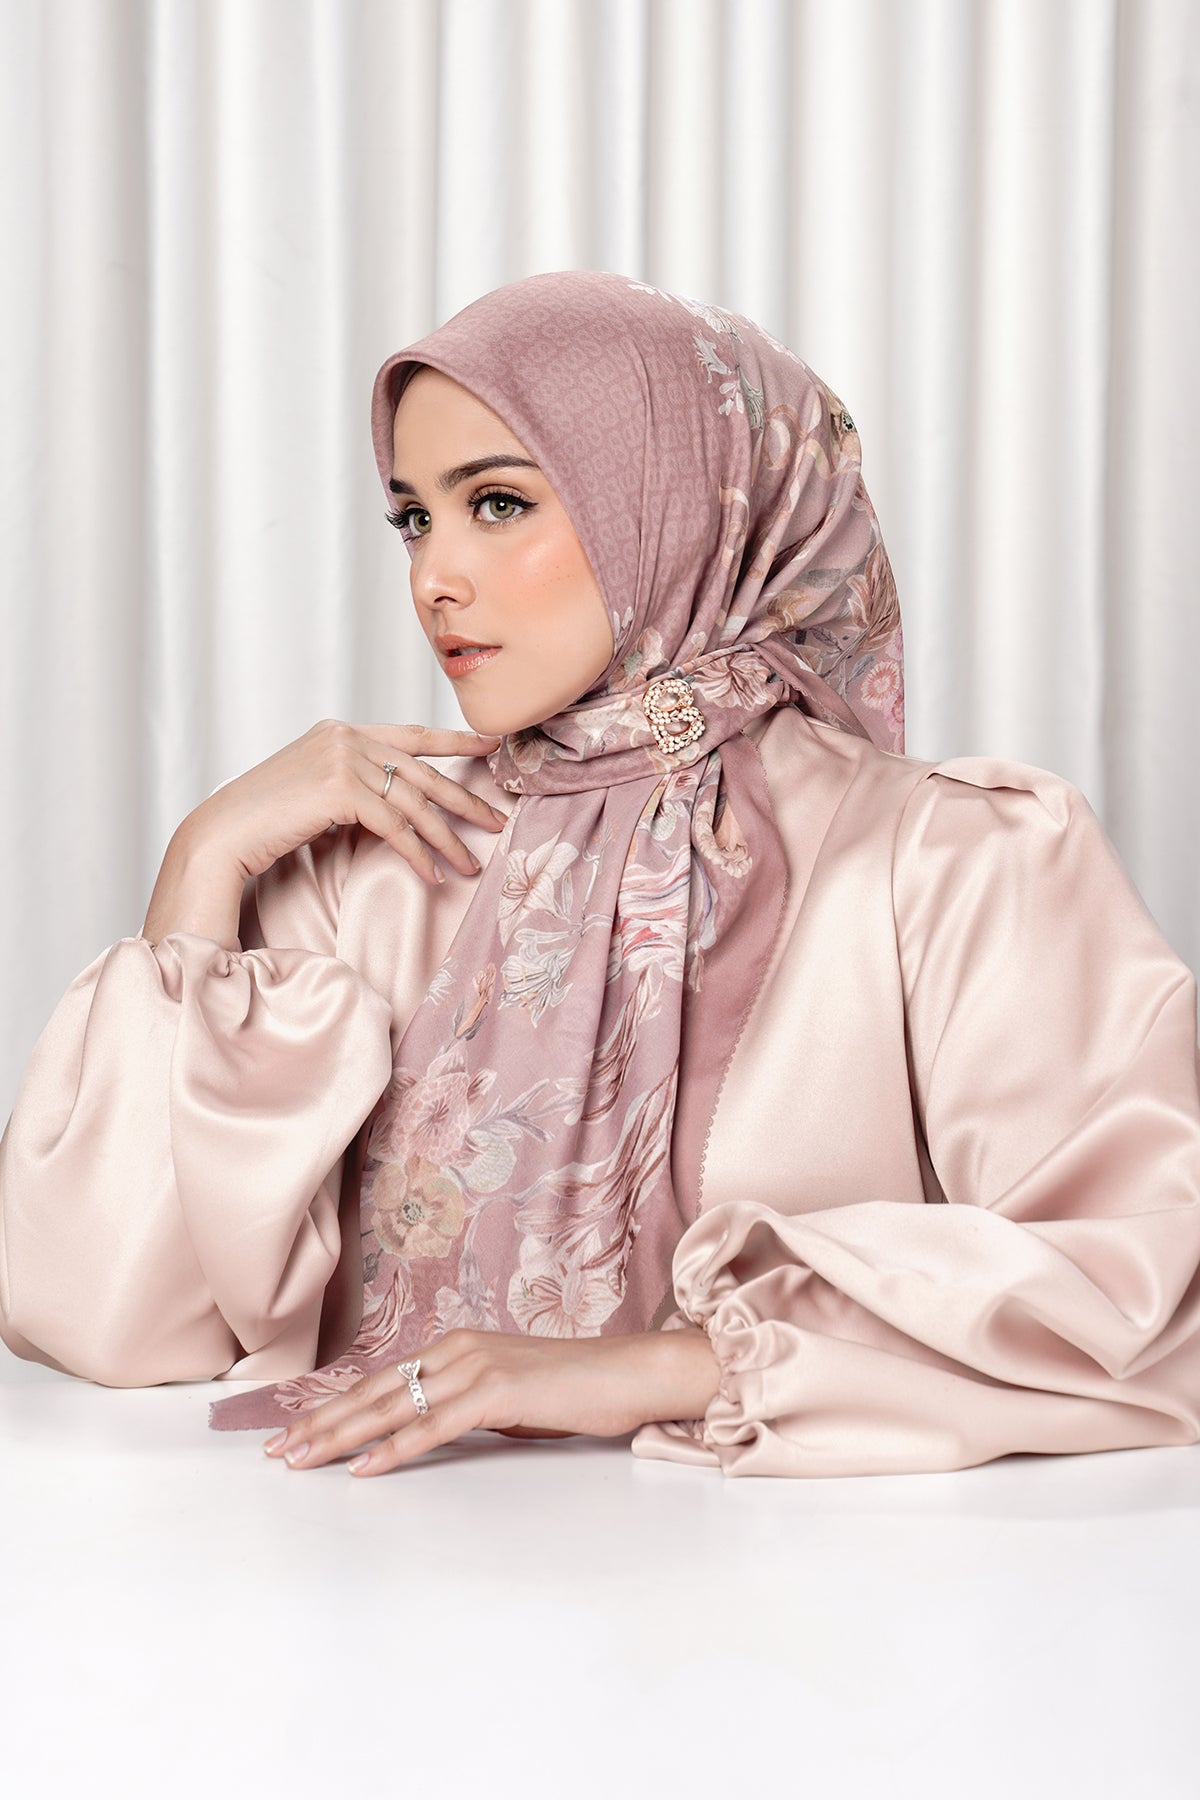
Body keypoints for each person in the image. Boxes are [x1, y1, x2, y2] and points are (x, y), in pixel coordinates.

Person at [2, 270, 1198, 1481]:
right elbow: (100, 1312)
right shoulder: (375, 871)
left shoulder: (951, 862)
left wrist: (663, 1368)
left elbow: (1148, 1292)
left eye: (499, 503)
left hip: (808, 1582)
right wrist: (202, 858)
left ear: (679, 506)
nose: (434, 578)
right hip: (350, 1571)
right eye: (414, 517)